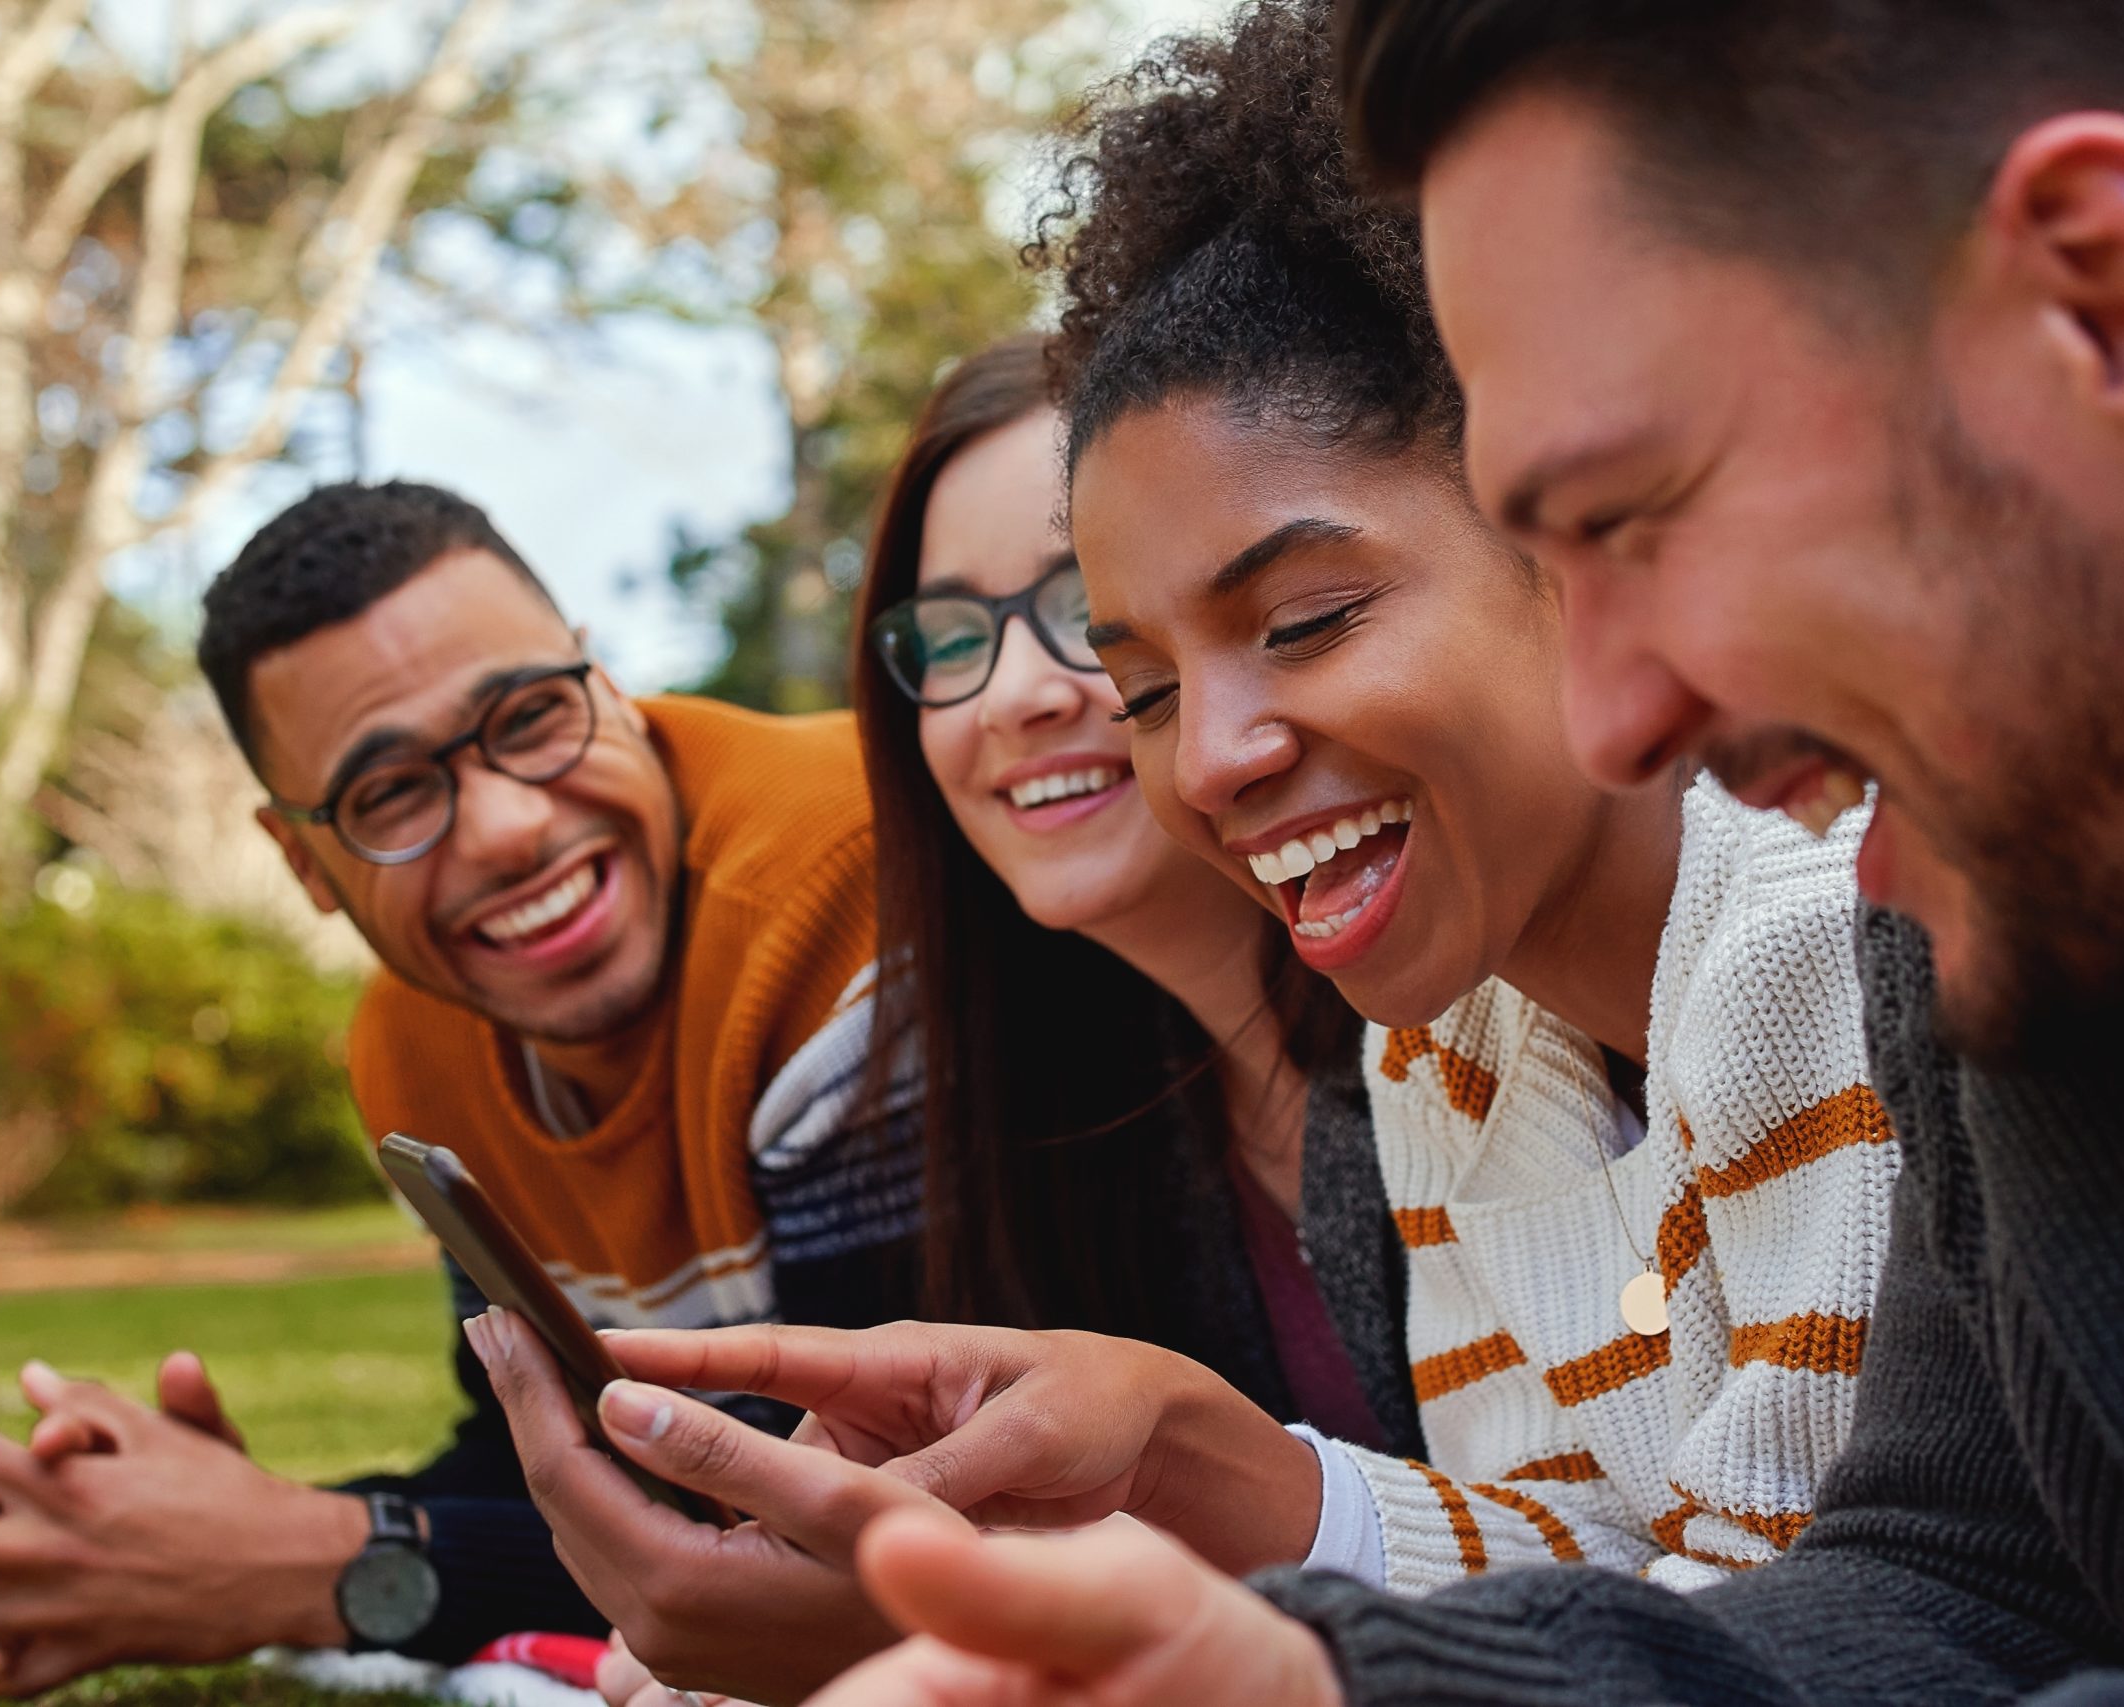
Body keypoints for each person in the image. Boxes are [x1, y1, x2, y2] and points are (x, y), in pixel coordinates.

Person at [788, 1, 2124, 1704]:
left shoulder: (1858, 907)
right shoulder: (2042, 916)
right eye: (1149, 682)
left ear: (2113, 302)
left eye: (1634, 519)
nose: (1621, 723)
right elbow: (1963, 1586)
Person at [469, 0, 1889, 1669]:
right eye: (1144, 682)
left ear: (1550, 514)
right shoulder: (1448, 1046)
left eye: (1304, 618)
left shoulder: (1806, 937)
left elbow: (1805, 1635)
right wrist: (1214, 1477)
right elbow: (1567, 1562)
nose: (1207, 758)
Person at [473, 338, 1422, 1707]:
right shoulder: (1067, 1110)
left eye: (1083, 611)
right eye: (952, 639)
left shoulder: (1473, 1038)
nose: (1014, 694)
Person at [0, 480, 919, 1696]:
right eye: (392, 794)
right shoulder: (412, 1047)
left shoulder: (842, 894)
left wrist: (324, 1563)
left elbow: (841, 1515)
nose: (510, 826)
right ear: (303, 860)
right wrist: (215, 1533)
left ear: (606, 687)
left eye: (527, 717)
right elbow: (547, 1464)